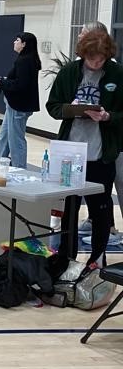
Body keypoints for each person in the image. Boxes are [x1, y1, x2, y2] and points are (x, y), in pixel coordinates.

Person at [46, 28, 123, 265]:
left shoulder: (117, 74)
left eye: (101, 59)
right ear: (83, 54)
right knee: (69, 209)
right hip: (70, 154)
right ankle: (65, 258)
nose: (96, 64)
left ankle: (97, 259)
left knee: (100, 210)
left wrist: (108, 117)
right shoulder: (69, 72)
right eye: (92, 59)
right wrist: (73, 110)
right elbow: (53, 106)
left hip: (101, 154)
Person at [0, 32, 41, 170]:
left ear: (24, 44)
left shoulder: (25, 61)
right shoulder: (26, 59)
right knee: (4, 137)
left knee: (16, 140)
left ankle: (19, 169)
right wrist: (4, 81)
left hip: (19, 106)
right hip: (13, 105)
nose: (14, 42)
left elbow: (21, 85)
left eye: (17, 40)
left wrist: (3, 83)